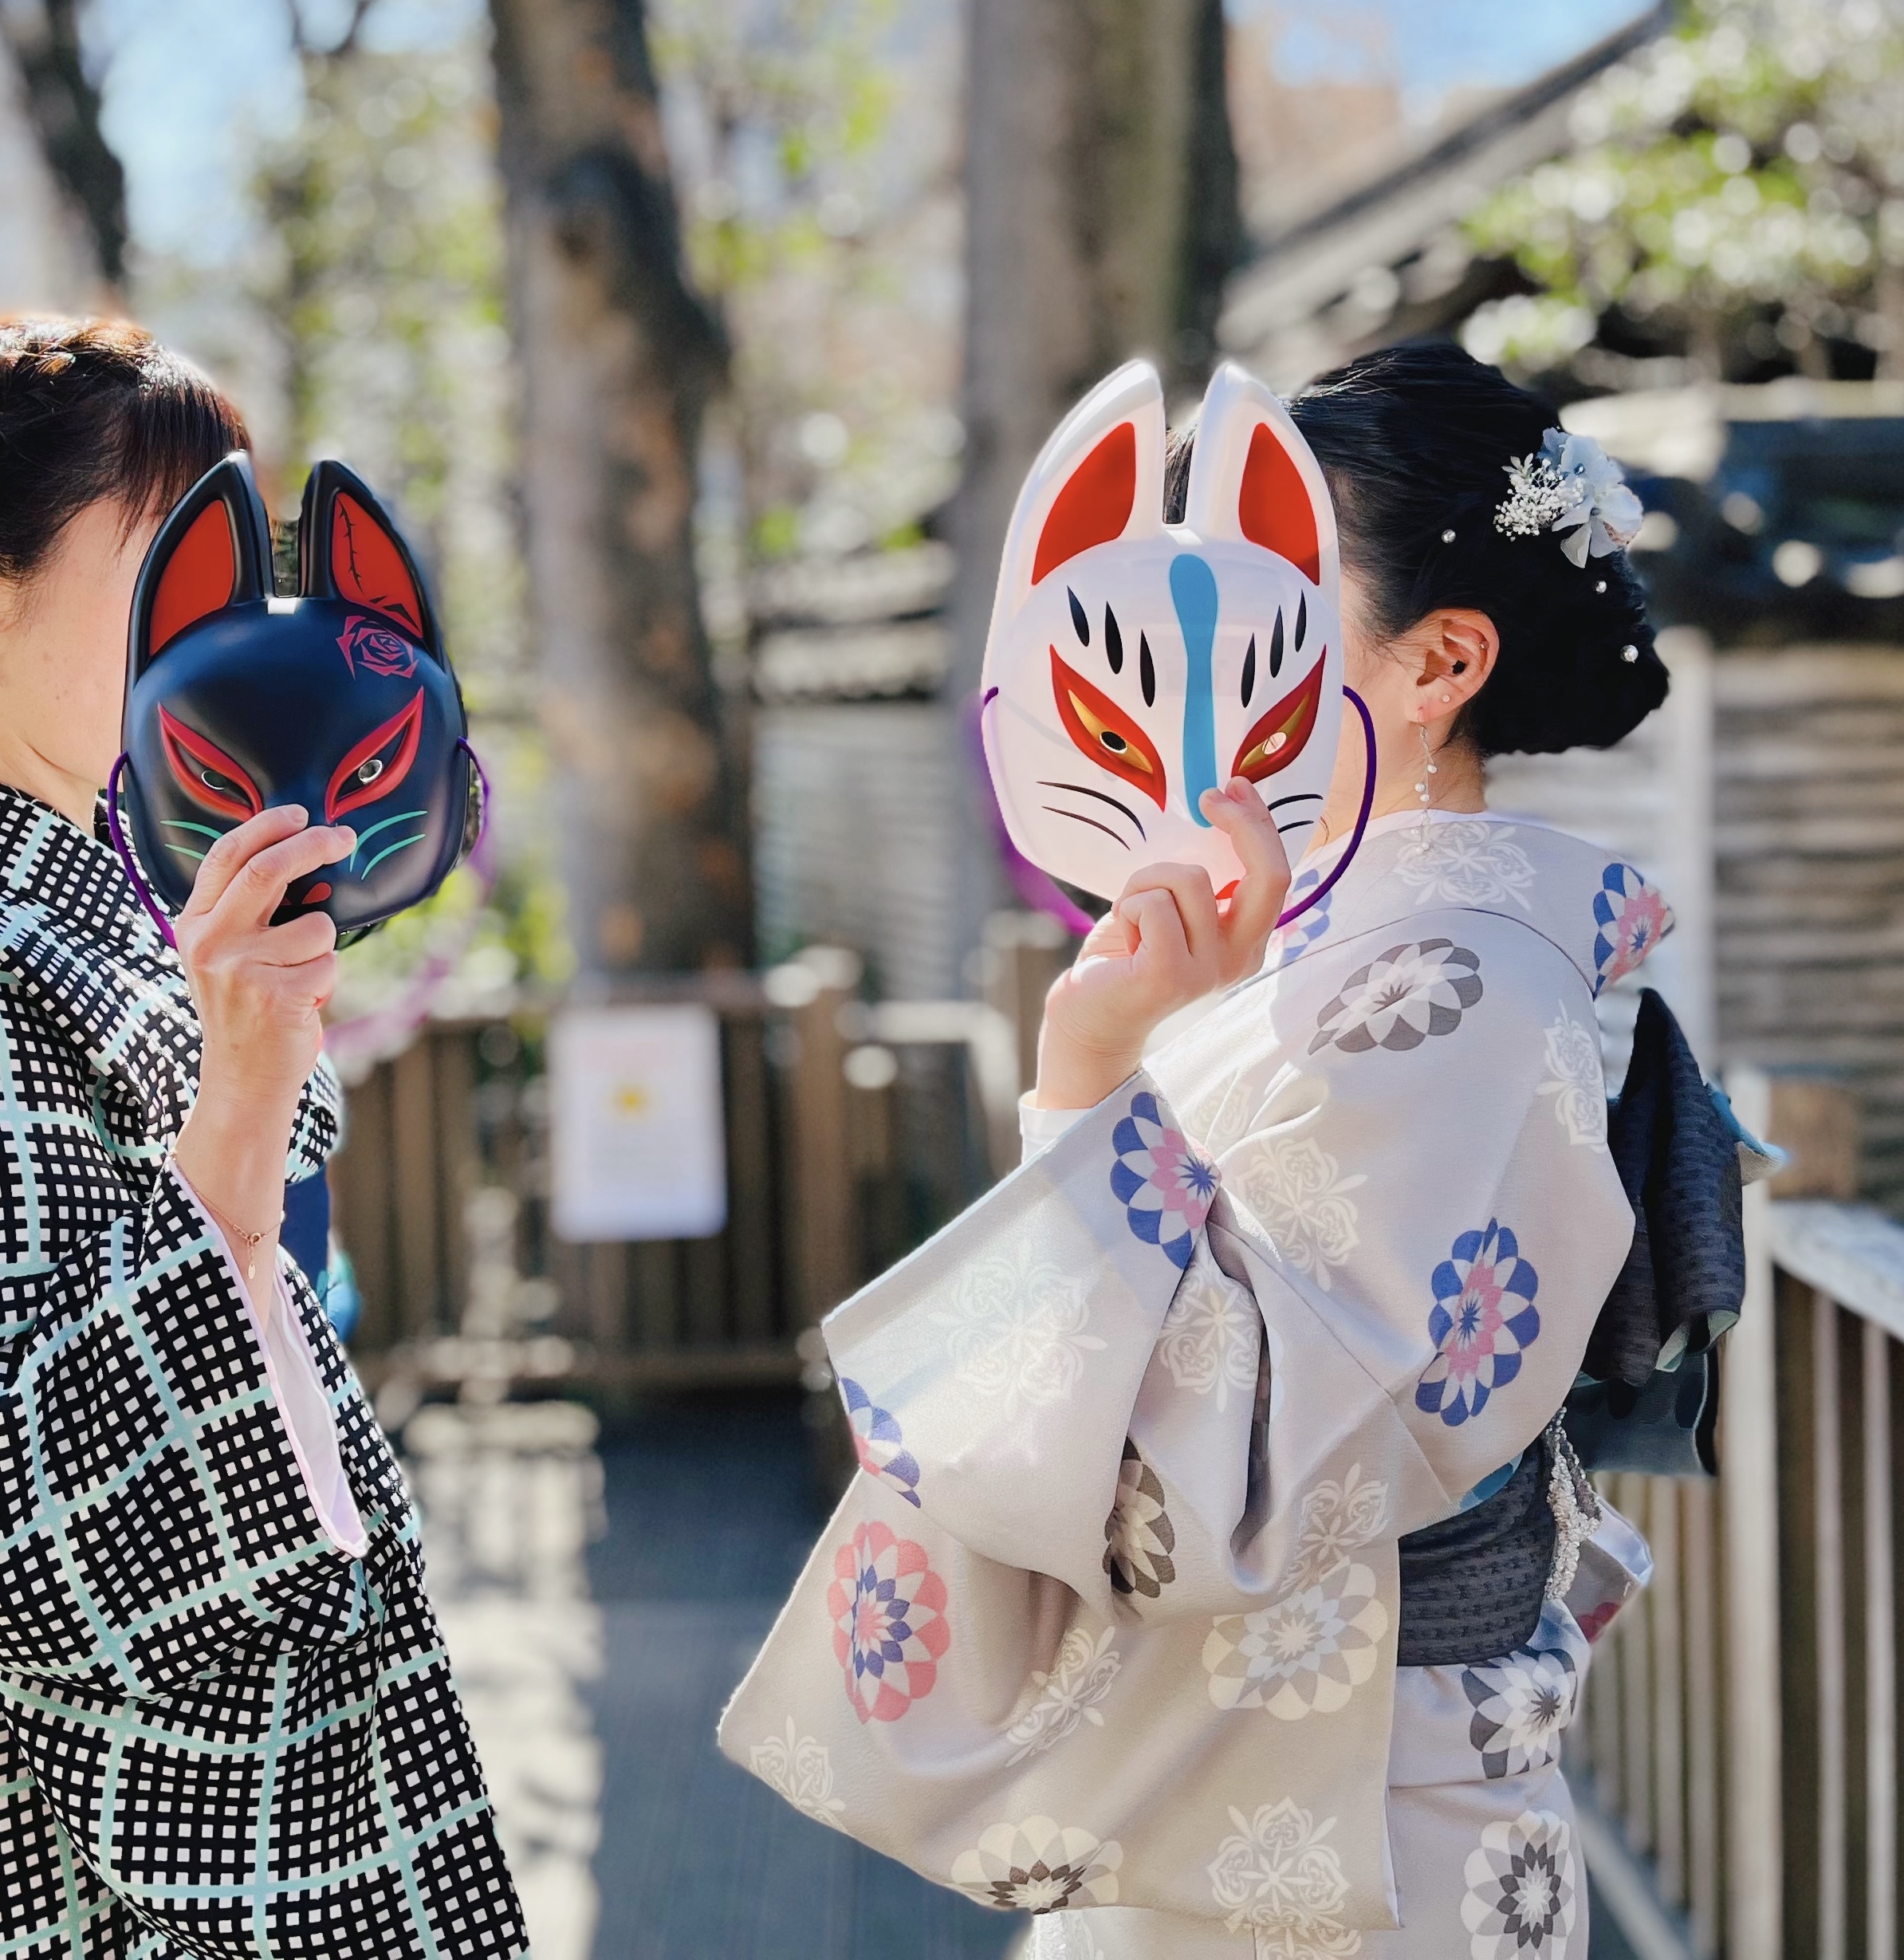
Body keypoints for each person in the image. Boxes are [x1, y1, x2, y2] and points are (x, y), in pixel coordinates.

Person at [723, 339, 1699, 1959]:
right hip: (1260, 1796)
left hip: (1345, 1826)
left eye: (1283, 613)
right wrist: (1106, 1078)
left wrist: (1093, 1087)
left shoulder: (1461, 996)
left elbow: (1207, 1491)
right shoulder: (1333, 966)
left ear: (1442, 660)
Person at [0, 317, 525, 1960]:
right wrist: (231, 1109)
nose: (230, 622)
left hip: (139, 1836)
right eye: (175, 565)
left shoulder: (75, 931)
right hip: (24, 1871)